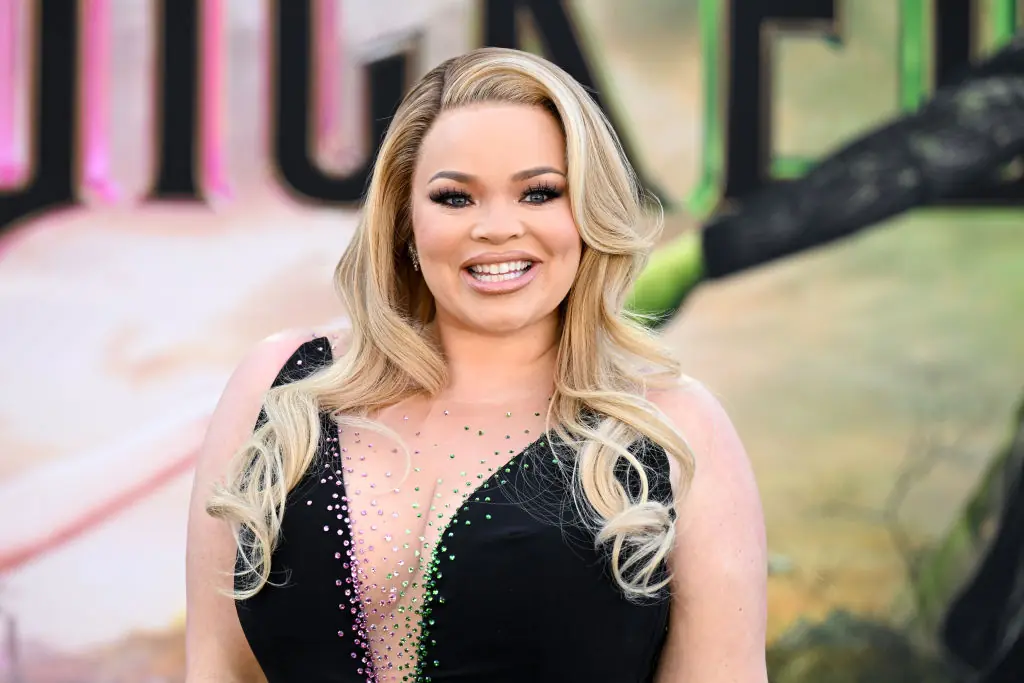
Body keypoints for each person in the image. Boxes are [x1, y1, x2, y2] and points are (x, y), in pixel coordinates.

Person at [184, 46, 768, 683]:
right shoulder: (283, 389)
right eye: (455, 198)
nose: (496, 227)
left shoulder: (675, 429)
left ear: (588, 213)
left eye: (539, 193)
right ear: (405, 219)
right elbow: (217, 668)